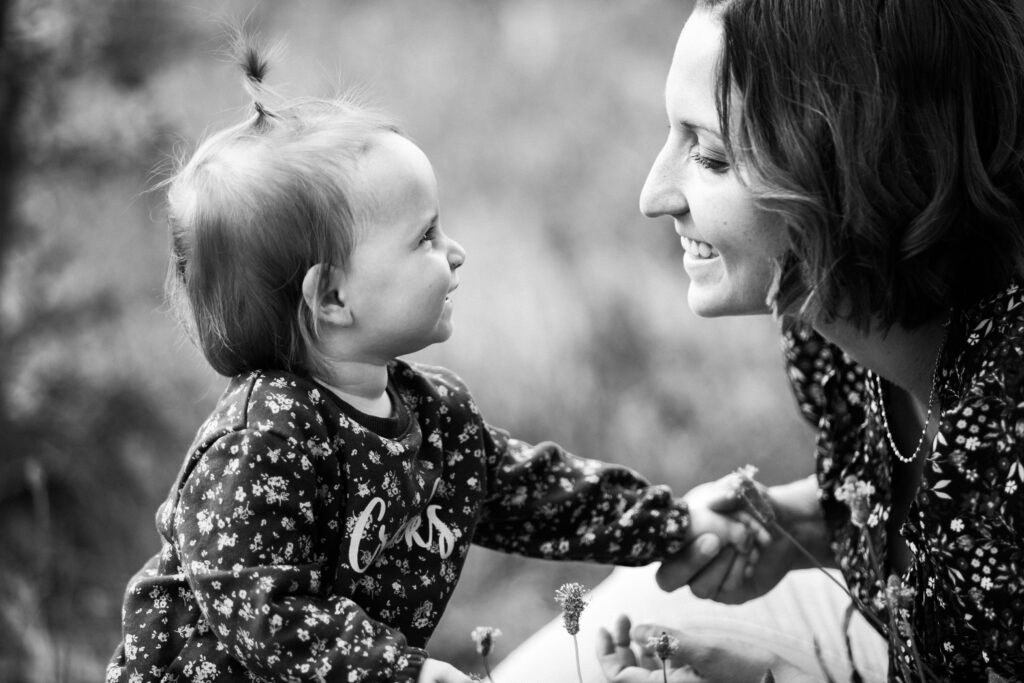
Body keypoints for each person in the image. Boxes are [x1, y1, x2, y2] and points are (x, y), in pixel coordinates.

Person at [104, 41, 766, 683]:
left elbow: (538, 495)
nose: (455, 253)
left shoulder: (433, 416)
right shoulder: (263, 442)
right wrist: (405, 671)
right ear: (331, 297)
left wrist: (674, 522)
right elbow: (262, 611)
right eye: (425, 236)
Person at [494, 0, 1024, 681]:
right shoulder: (829, 324)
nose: (653, 196)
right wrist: (799, 525)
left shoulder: (1008, 422)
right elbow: (936, 524)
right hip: (895, 634)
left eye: (711, 156)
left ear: (854, 171)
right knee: (620, 622)